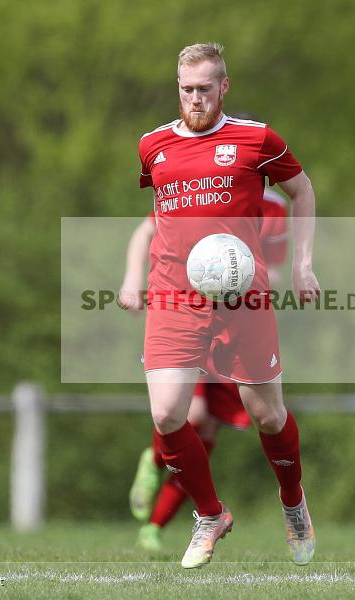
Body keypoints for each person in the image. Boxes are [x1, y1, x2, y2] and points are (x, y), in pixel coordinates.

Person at [135, 42, 319, 569]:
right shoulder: (152, 146)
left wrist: (302, 264)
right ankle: (211, 515)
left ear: (224, 86)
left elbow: (302, 192)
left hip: (243, 297)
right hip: (174, 296)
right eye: (186, 90)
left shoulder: (256, 139)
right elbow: (162, 215)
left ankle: (293, 503)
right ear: (178, 88)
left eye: (205, 89)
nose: (195, 99)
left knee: (267, 414)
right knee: (168, 414)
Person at [121, 176, 289, 552]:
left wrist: (244, 277)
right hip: (186, 314)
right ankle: (154, 456)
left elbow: (275, 270)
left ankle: (155, 526)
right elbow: (145, 231)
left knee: (207, 431)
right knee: (190, 415)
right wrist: (133, 280)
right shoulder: (200, 188)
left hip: (237, 319)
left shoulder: (275, 207)